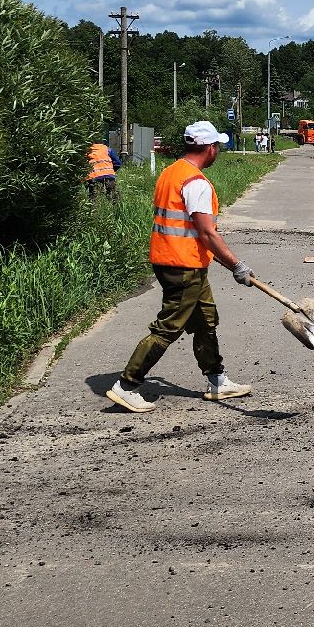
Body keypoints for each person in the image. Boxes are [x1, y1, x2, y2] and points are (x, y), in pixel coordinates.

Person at [105, 121, 256, 413]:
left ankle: (217, 381)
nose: (219, 152)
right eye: (218, 147)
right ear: (210, 148)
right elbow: (207, 232)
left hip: (174, 260)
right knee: (168, 327)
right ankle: (127, 385)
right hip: (182, 265)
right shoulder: (196, 182)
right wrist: (237, 265)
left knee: (205, 320)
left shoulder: (171, 172)